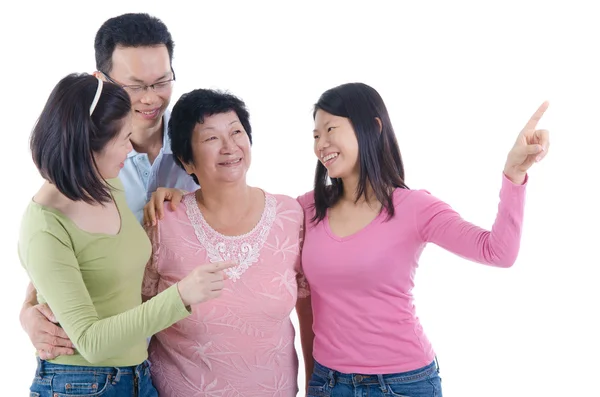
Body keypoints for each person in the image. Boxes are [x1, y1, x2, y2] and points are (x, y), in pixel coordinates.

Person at [145, 83, 550, 397]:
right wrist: (177, 193)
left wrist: (513, 176)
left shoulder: (415, 207)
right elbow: (235, 204)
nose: (321, 144)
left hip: (404, 381)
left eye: (331, 130)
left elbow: (498, 251)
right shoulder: (304, 210)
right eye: (315, 134)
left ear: (371, 128)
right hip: (329, 382)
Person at [19, 73, 234, 396]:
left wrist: (172, 200)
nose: (129, 149)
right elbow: (90, 341)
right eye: (123, 139)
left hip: (137, 375)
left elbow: (94, 264)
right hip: (78, 383)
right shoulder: (45, 225)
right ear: (89, 145)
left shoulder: (107, 183)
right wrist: (181, 296)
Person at [19, 13, 197, 362]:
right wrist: (26, 311)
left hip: (185, 355)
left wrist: (195, 201)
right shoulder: (89, 166)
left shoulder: (202, 144)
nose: (150, 99)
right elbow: (57, 256)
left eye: (161, 81)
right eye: (135, 86)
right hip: (106, 362)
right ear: (100, 80)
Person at [141, 88, 307, 396]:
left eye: (236, 132)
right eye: (211, 138)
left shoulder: (291, 215)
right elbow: (134, 315)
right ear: (186, 161)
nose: (229, 146)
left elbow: (309, 307)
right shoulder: (163, 222)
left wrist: (315, 388)